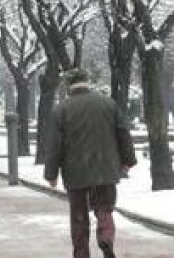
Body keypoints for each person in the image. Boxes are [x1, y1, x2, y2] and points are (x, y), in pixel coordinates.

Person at [44, 68, 137, 258]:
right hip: (105, 168)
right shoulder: (108, 104)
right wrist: (128, 160)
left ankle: (81, 254)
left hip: (75, 170)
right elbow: (123, 133)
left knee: (79, 217)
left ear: (69, 86)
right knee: (104, 208)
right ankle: (105, 236)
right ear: (87, 82)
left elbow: (54, 145)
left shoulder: (61, 109)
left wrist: (51, 174)